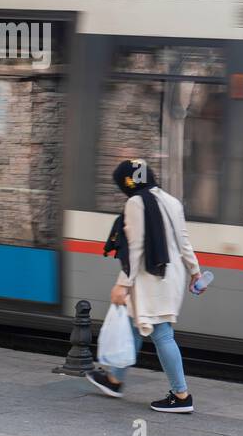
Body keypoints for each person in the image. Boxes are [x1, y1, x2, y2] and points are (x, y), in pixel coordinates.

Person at [86, 159, 204, 413]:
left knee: (161, 333)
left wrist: (122, 284)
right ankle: (114, 380)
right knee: (135, 324)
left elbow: (136, 248)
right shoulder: (171, 201)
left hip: (150, 277)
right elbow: (184, 242)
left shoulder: (136, 203)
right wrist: (195, 272)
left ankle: (181, 395)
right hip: (171, 276)